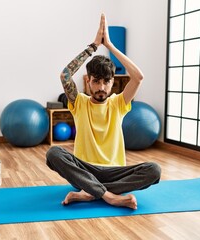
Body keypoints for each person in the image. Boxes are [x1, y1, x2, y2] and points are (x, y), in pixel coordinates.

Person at [46, 13, 161, 210]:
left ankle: (91, 193)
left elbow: (138, 77)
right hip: (84, 170)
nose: (101, 87)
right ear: (88, 81)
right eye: (96, 81)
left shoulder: (118, 103)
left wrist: (109, 45)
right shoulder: (79, 102)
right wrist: (93, 46)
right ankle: (109, 196)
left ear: (112, 82)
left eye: (106, 81)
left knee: (154, 170)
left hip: (115, 171)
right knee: (53, 153)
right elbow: (65, 75)